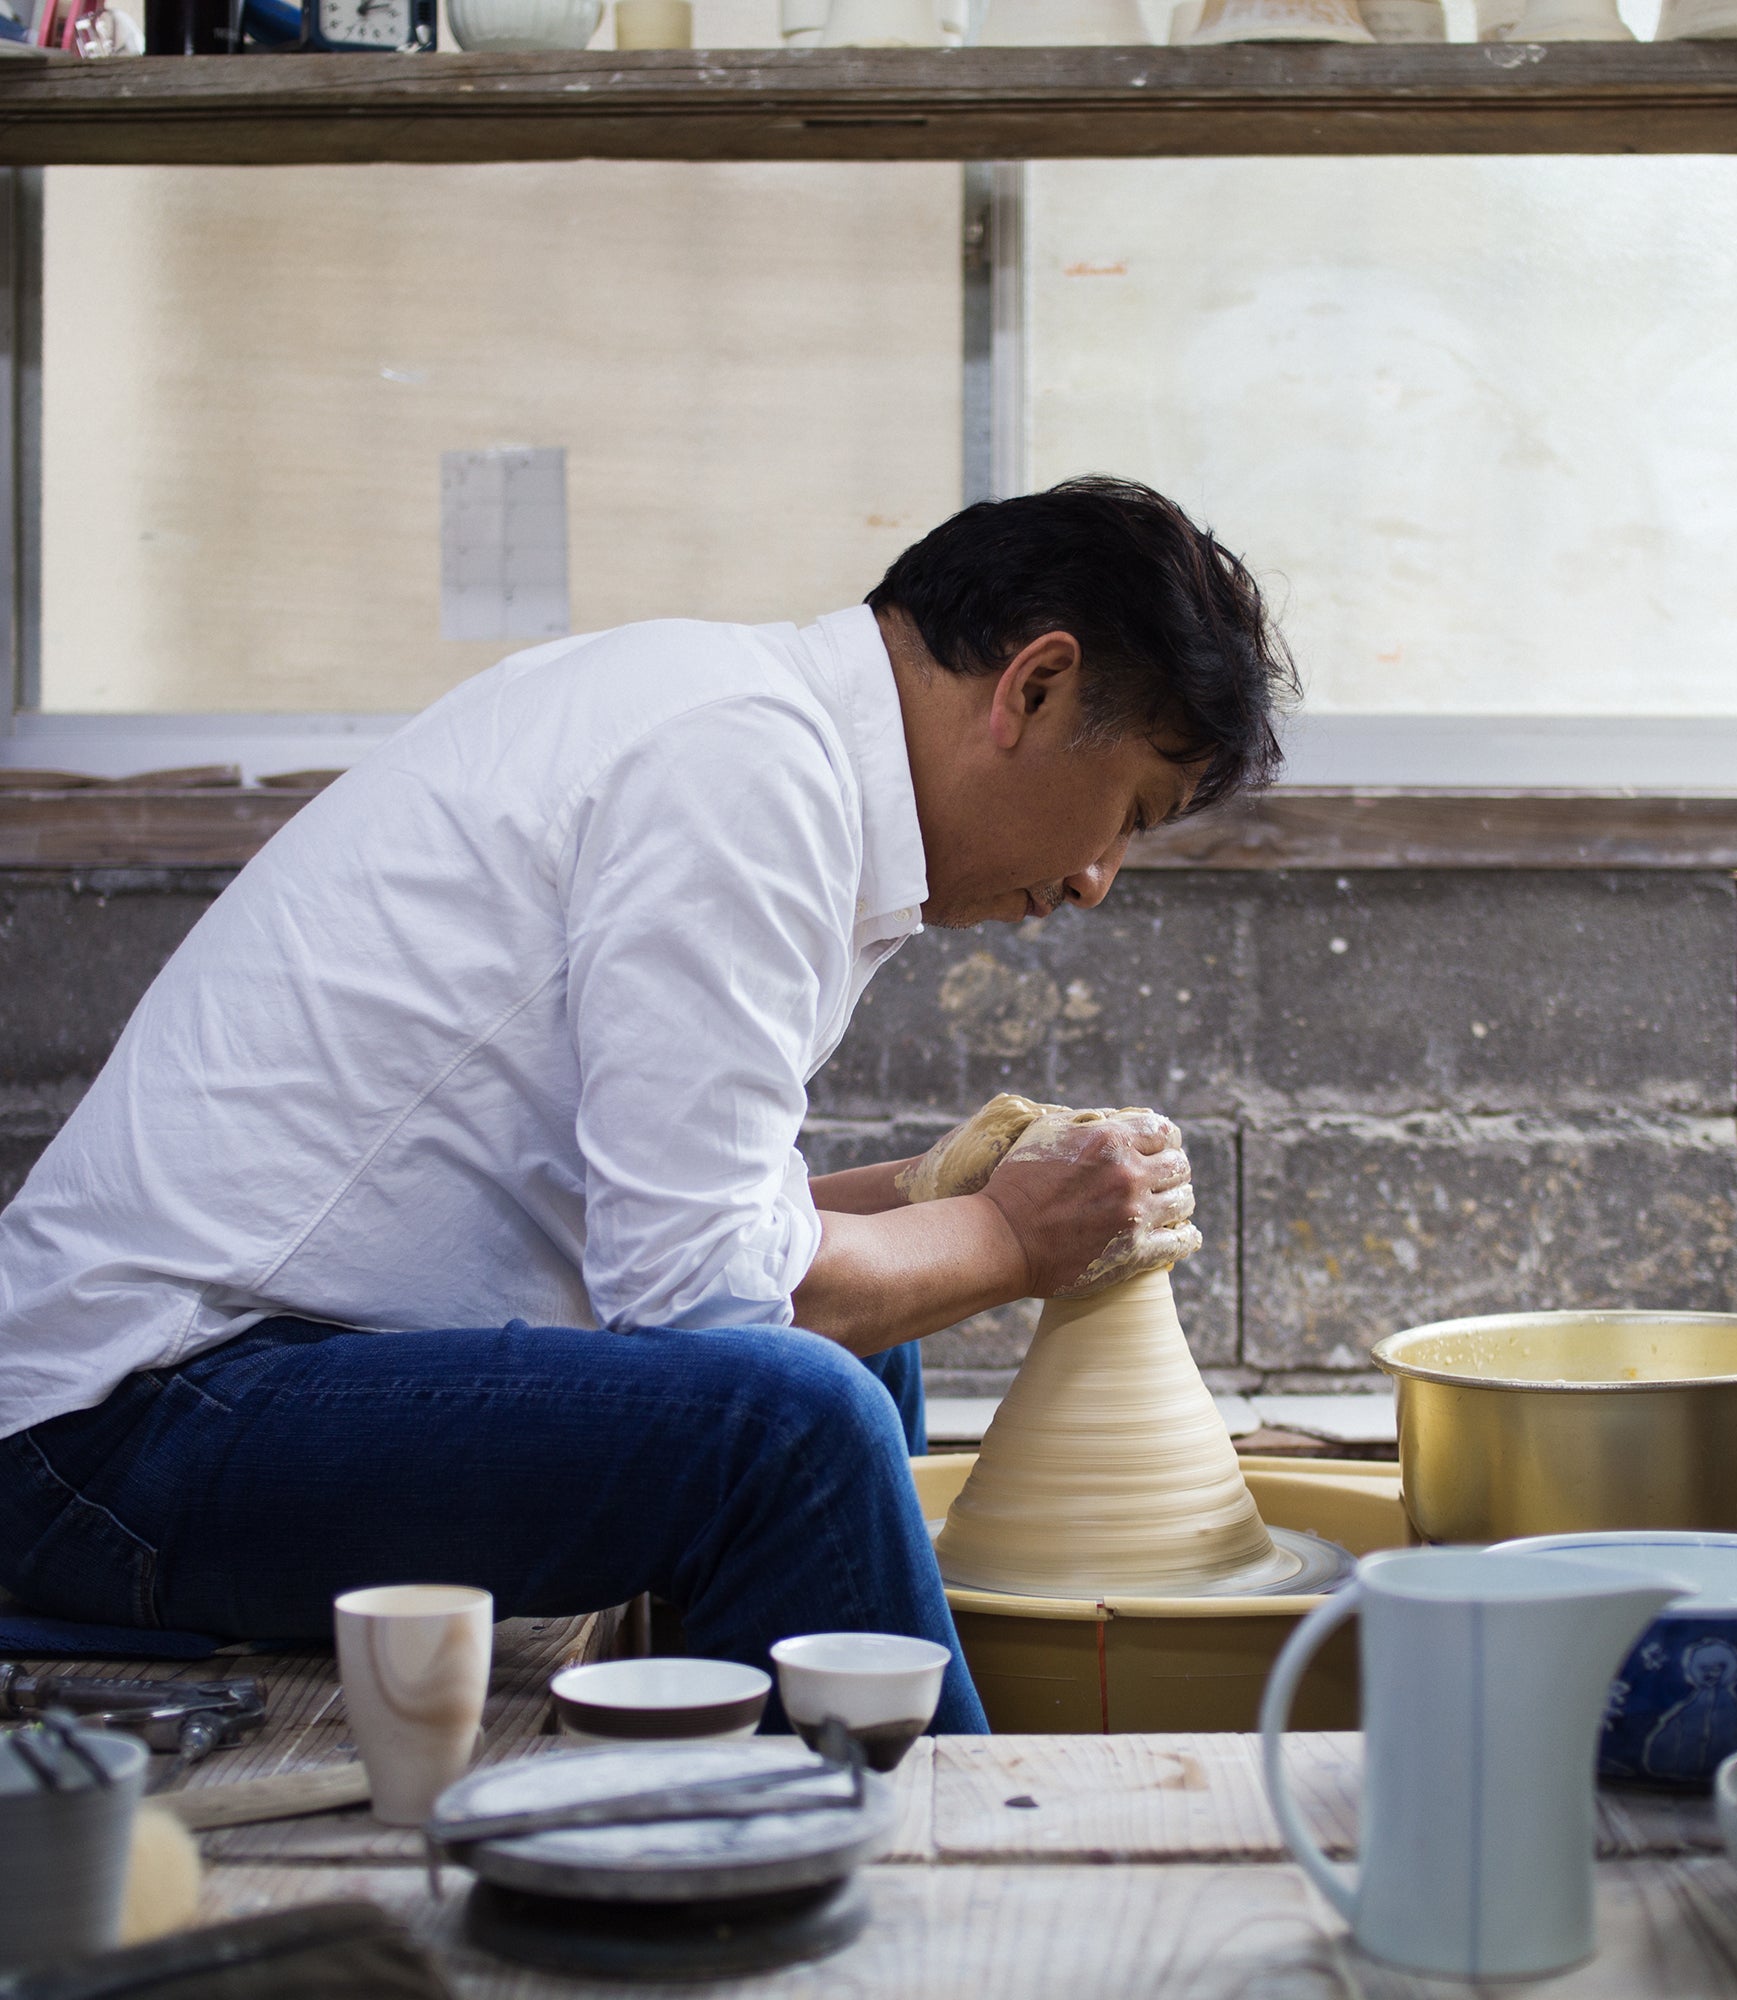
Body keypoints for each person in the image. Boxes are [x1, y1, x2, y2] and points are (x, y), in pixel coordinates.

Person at [0, 477, 1295, 1734]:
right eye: (1128, 813)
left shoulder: (741, 727)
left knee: (857, 1339)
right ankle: (960, 1876)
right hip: (111, 1437)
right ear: (1036, 684)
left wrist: (936, 1197)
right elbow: (699, 1298)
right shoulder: (743, 771)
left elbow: (684, 1240)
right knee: (793, 1428)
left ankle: (743, 1801)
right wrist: (1016, 1240)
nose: (1095, 879)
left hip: (239, 1387)